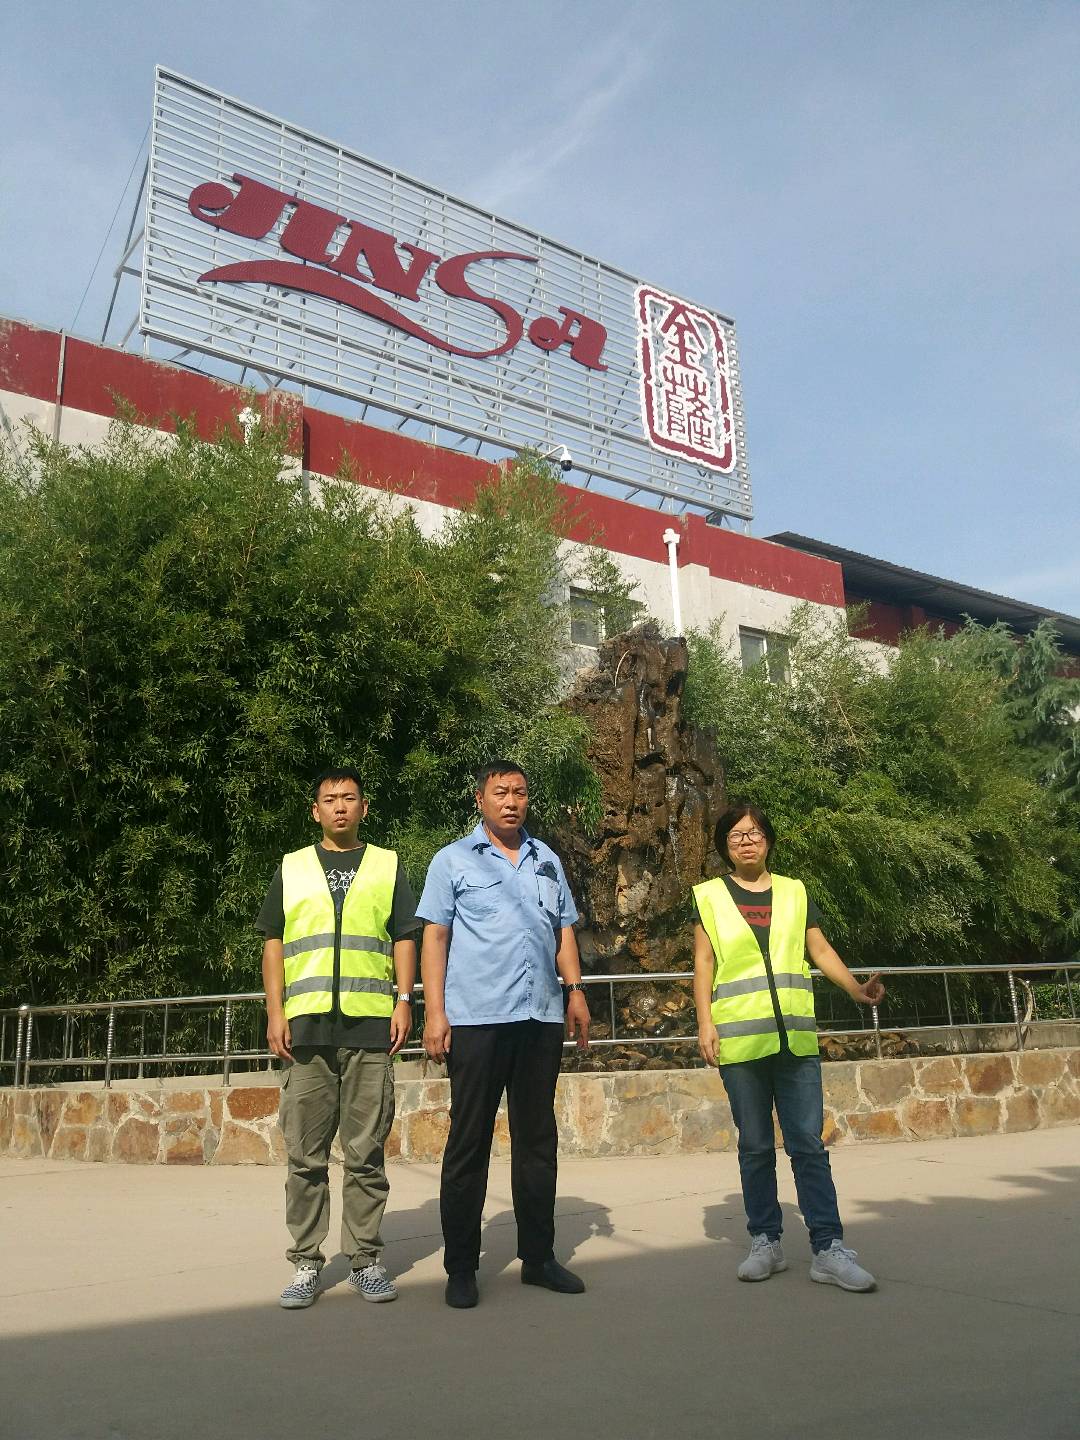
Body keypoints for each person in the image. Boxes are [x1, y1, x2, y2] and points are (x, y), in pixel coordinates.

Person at [417, 760, 590, 1309]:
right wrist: (434, 1013)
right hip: (477, 1020)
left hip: (539, 1018)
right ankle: (461, 1267)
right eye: (500, 792)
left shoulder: (547, 860)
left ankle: (538, 1258)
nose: (511, 801)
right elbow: (435, 938)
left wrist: (575, 991)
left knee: (538, 1142)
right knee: (468, 1143)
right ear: (480, 800)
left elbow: (563, 930)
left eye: (519, 792)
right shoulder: (452, 860)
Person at [692, 801, 885, 1292]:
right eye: (736, 835)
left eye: (755, 832)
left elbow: (819, 949)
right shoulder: (709, 896)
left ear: (769, 840)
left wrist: (855, 989)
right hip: (740, 1040)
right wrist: (705, 1023)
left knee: (808, 1145)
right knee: (755, 1146)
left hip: (795, 1039)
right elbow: (704, 964)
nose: (747, 841)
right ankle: (766, 1241)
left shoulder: (795, 892)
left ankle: (828, 1248)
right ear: (724, 846)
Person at [258, 767, 419, 1309]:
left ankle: (365, 1260)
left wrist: (404, 1000)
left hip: (370, 1028)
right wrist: (275, 1011)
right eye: (330, 799)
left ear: (364, 807)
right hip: (305, 1031)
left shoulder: (387, 865)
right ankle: (306, 1262)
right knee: (304, 1155)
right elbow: (274, 941)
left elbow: (405, 936)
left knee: (365, 1153)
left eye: (349, 798)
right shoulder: (292, 867)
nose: (340, 807)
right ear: (316, 811)